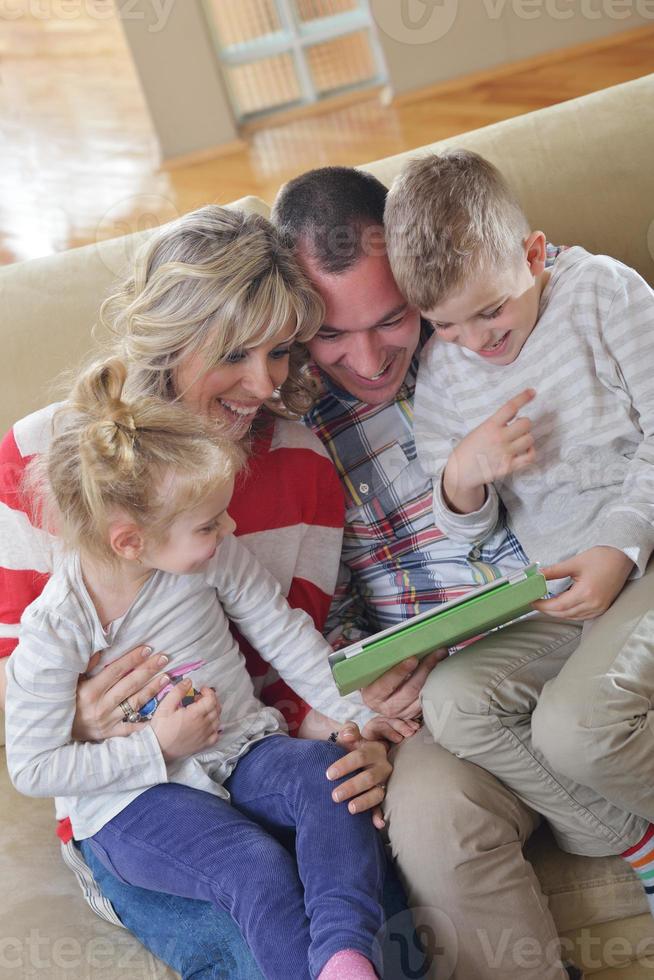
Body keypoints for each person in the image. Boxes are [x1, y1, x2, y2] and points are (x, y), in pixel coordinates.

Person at [0, 206, 394, 979]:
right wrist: (87, 720)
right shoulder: (39, 461)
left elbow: (284, 656)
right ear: (170, 337)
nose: (265, 382)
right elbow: (23, 713)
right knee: (253, 935)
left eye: (280, 350)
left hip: (249, 751)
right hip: (131, 796)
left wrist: (356, 731)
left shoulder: (302, 469)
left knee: (385, 925)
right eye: (235, 352)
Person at [271, 165, 641, 980]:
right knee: (435, 822)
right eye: (331, 335)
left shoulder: (506, 320)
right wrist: (365, 687)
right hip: (458, 696)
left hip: (590, 613)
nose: (366, 359)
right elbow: (309, 618)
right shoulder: (299, 434)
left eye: (394, 318)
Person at [384, 149, 654, 911]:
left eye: (492, 310)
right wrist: (462, 479)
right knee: (454, 700)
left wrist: (620, 543)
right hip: (565, 594)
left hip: (642, 557)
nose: (475, 341)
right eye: (445, 324)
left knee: (574, 729)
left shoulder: (601, 294)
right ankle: (633, 840)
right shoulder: (441, 376)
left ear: (534, 255)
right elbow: (467, 535)